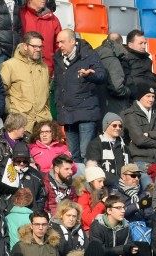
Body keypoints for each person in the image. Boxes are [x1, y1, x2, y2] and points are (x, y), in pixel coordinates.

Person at [52, 30, 106, 163]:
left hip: (85, 113)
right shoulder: (58, 59)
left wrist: (90, 75)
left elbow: (102, 75)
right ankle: (76, 182)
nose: (59, 45)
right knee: (73, 156)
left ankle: (88, 182)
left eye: (62, 42)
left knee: (86, 154)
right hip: (68, 113)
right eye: (58, 42)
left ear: (72, 41)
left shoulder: (89, 55)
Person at [0, 33, 51, 132]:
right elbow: (0, 92)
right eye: (34, 46)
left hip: (42, 123)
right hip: (20, 123)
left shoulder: (44, 67)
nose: (38, 49)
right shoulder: (9, 65)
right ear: (25, 46)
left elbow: (47, 94)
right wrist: (10, 111)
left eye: (40, 46)